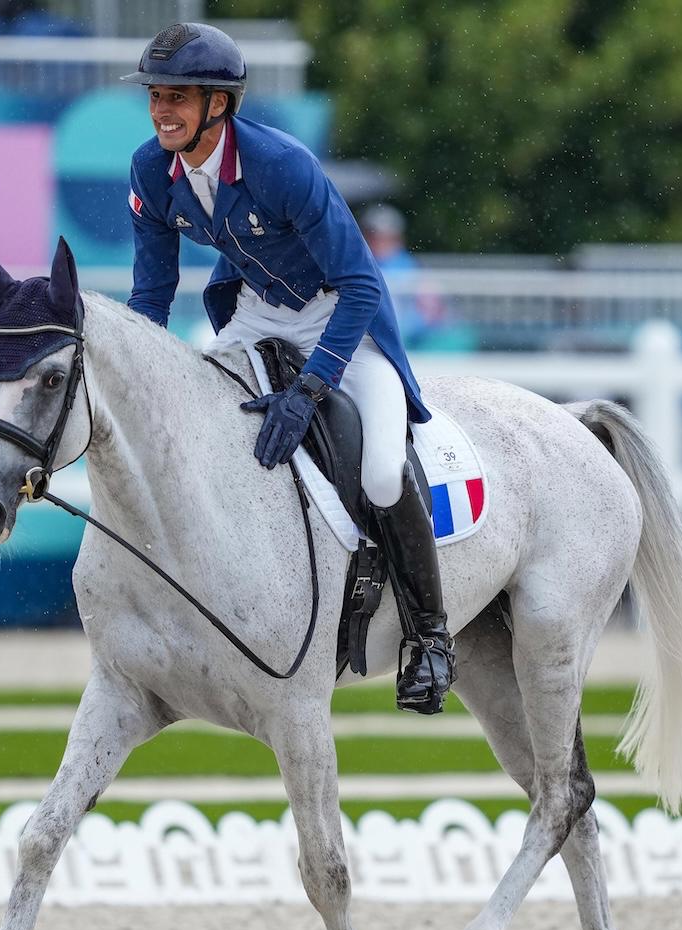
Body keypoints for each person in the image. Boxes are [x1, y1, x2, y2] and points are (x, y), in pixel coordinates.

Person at [122, 22, 454, 714]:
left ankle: (429, 636)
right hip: (253, 312)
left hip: (340, 318)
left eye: (177, 97)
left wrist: (310, 387)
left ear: (219, 105)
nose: (161, 111)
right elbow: (151, 295)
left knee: (382, 470)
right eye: (156, 95)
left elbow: (363, 286)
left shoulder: (280, 165)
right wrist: (133, 381)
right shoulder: (151, 172)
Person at [362, 203, 452, 348]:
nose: (379, 242)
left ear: (397, 238)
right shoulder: (362, 263)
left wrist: (406, 329)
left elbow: (431, 314)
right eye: (374, 236)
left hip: (411, 342)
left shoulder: (410, 266)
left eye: (385, 237)